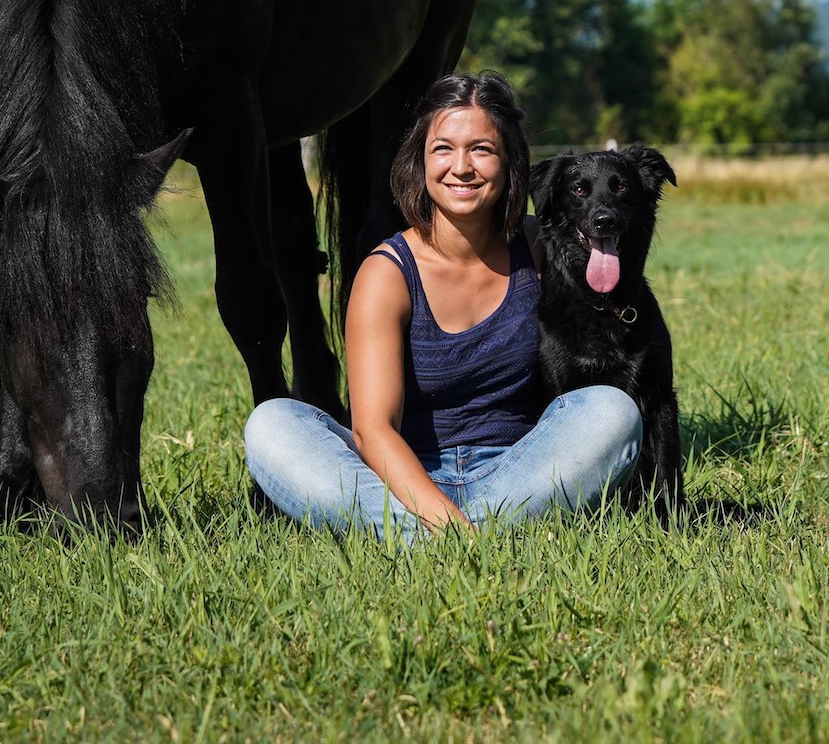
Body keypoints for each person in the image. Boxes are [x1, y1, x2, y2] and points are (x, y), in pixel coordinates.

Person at [244, 71, 642, 542]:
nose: (462, 166)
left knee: (612, 411)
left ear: (509, 161)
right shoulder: (387, 273)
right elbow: (373, 430)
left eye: (482, 149)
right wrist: (444, 517)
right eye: (443, 149)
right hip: (396, 482)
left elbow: (624, 299)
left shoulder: (540, 247)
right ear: (420, 161)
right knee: (272, 424)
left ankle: (417, 537)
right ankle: (465, 535)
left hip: (519, 471)